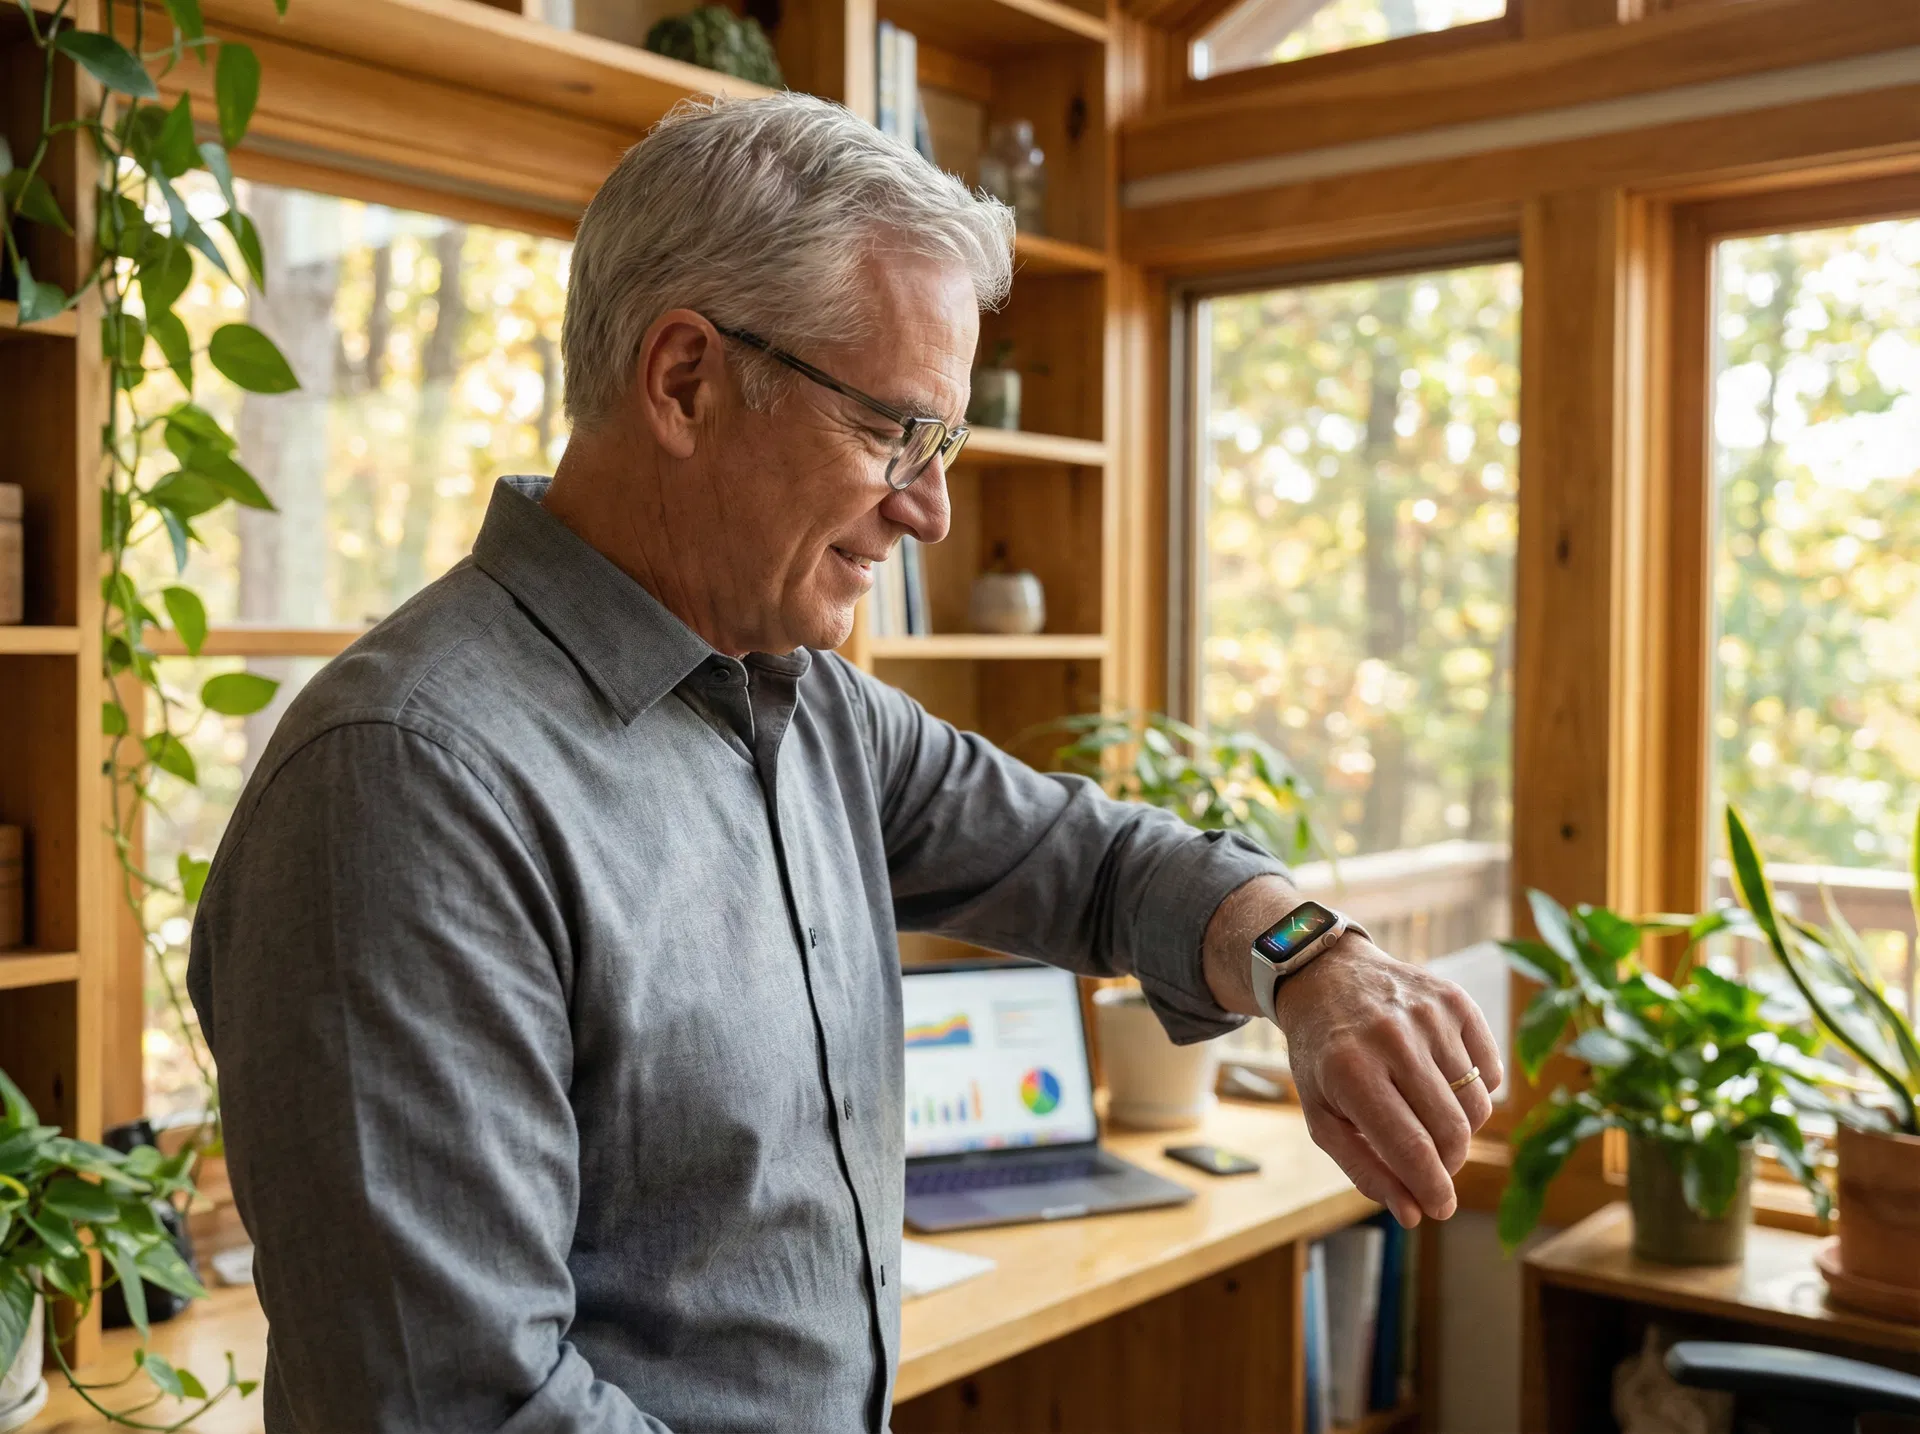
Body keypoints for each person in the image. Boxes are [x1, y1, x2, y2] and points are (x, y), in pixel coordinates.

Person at [188, 91, 1502, 1433]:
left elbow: (1095, 859)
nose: (929, 510)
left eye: (940, 443)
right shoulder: (405, 786)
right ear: (686, 380)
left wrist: (1311, 960)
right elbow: (465, 1408)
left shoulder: (809, 705)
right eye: (893, 433)